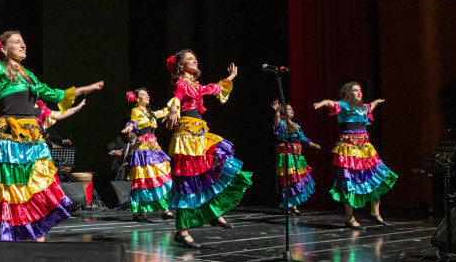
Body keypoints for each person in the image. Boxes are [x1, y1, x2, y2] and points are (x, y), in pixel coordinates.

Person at [0, 31, 103, 241]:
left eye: (23, 41)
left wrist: (84, 89)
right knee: (15, 189)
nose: (23, 44)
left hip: (34, 138)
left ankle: (36, 234)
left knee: (39, 186)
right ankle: (11, 237)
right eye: (16, 41)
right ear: (4, 48)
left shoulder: (28, 74)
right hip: (10, 138)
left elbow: (53, 93)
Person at [162, 50, 252, 248]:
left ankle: (213, 211)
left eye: (195, 58)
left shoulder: (194, 85)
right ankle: (182, 231)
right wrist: (174, 110)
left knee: (215, 169)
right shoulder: (181, 83)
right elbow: (176, 98)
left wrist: (230, 77)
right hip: (187, 138)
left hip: (200, 135)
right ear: (180, 65)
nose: (194, 60)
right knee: (188, 181)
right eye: (189, 59)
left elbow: (213, 88)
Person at [314, 82, 397, 227]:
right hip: (348, 150)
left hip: (365, 150)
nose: (359, 92)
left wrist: (377, 102)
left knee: (379, 176)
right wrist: (321, 103)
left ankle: (375, 212)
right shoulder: (345, 105)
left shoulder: (363, 108)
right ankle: (350, 219)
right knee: (349, 182)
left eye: (360, 90)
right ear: (348, 93)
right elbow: (330, 103)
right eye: (355, 90)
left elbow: (371, 105)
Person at [123, 89, 174, 224]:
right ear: (137, 99)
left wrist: (176, 101)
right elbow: (133, 122)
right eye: (143, 95)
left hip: (154, 147)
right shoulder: (136, 111)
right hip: (143, 149)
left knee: (163, 176)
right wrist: (130, 126)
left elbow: (164, 111)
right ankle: (138, 211)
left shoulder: (150, 113)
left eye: (147, 94)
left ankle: (165, 209)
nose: (147, 96)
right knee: (143, 180)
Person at [271, 100, 320, 215]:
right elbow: (276, 123)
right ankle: (286, 205)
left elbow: (303, 139)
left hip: (297, 156)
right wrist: (277, 112)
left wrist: (314, 145)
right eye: (288, 109)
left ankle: (294, 206)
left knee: (298, 179)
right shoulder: (282, 124)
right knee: (289, 180)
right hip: (287, 156)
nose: (292, 111)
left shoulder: (296, 125)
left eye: (292, 109)